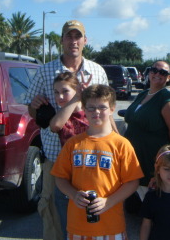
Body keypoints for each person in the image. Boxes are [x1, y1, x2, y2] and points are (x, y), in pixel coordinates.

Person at [26, 20, 111, 240]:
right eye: (69, 36)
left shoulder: (97, 71)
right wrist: (34, 106)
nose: (74, 41)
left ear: (85, 40)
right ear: (62, 40)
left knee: (91, 210)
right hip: (56, 157)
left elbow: (107, 112)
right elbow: (31, 110)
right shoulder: (46, 71)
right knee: (53, 211)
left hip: (92, 156)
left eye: (78, 36)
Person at [51, 84, 144, 239]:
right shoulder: (73, 144)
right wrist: (73, 194)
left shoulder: (121, 144)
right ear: (84, 109)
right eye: (91, 108)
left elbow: (132, 182)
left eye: (102, 107)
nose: (96, 112)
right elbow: (60, 178)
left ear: (112, 109)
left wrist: (108, 201)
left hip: (111, 226)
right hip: (78, 226)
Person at [124, 60, 170, 200]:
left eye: (163, 72)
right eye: (154, 70)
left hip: (150, 162)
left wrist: (166, 163)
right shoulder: (143, 94)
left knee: (148, 207)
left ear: (169, 78)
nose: (157, 74)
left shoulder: (167, 100)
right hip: (133, 160)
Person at [50, 72, 88, 146]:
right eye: (56, 92)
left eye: (65, 91)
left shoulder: (90, 111)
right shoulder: (61, 115)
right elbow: (55, 126)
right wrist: (76, 98)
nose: (60, 96)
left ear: (76, 90)